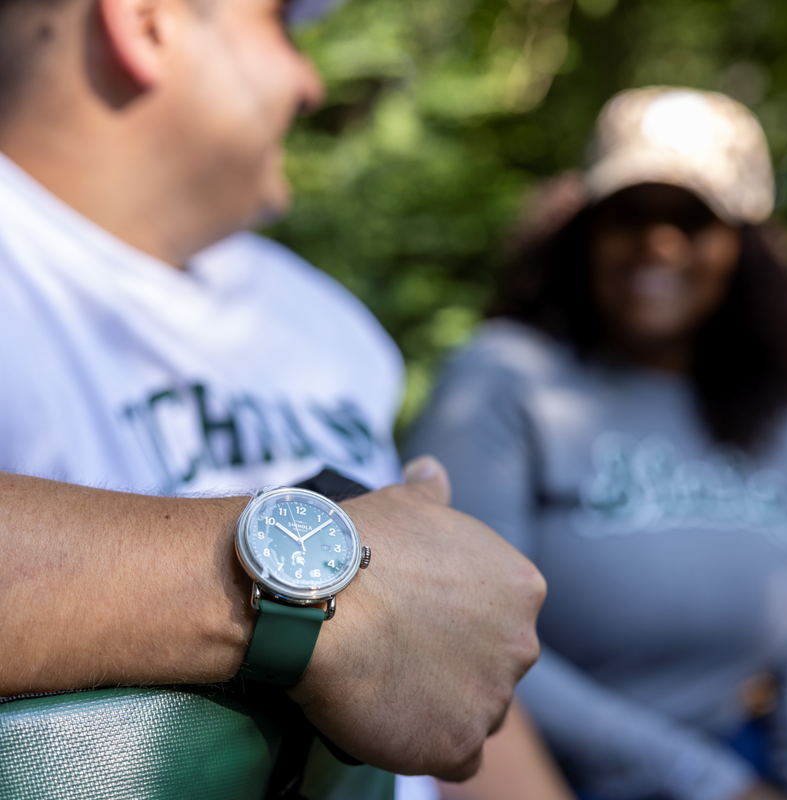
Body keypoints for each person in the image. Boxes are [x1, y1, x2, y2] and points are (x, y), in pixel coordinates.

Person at [0, 0, 547, 793]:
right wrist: (324, 602)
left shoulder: (326, 319)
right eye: (280, 28)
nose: (311, 82)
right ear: (146, 22)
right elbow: (383, 604)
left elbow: (440, 657)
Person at [409, 86, 787, 800]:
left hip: (750, 756)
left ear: (741, 246)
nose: (658, 242)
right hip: (552, 774)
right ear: (582, 230)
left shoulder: (779, 404)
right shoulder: (505, 379)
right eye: (630, 214)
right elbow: (457, 630)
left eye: (693, 219)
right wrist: (703, 783)